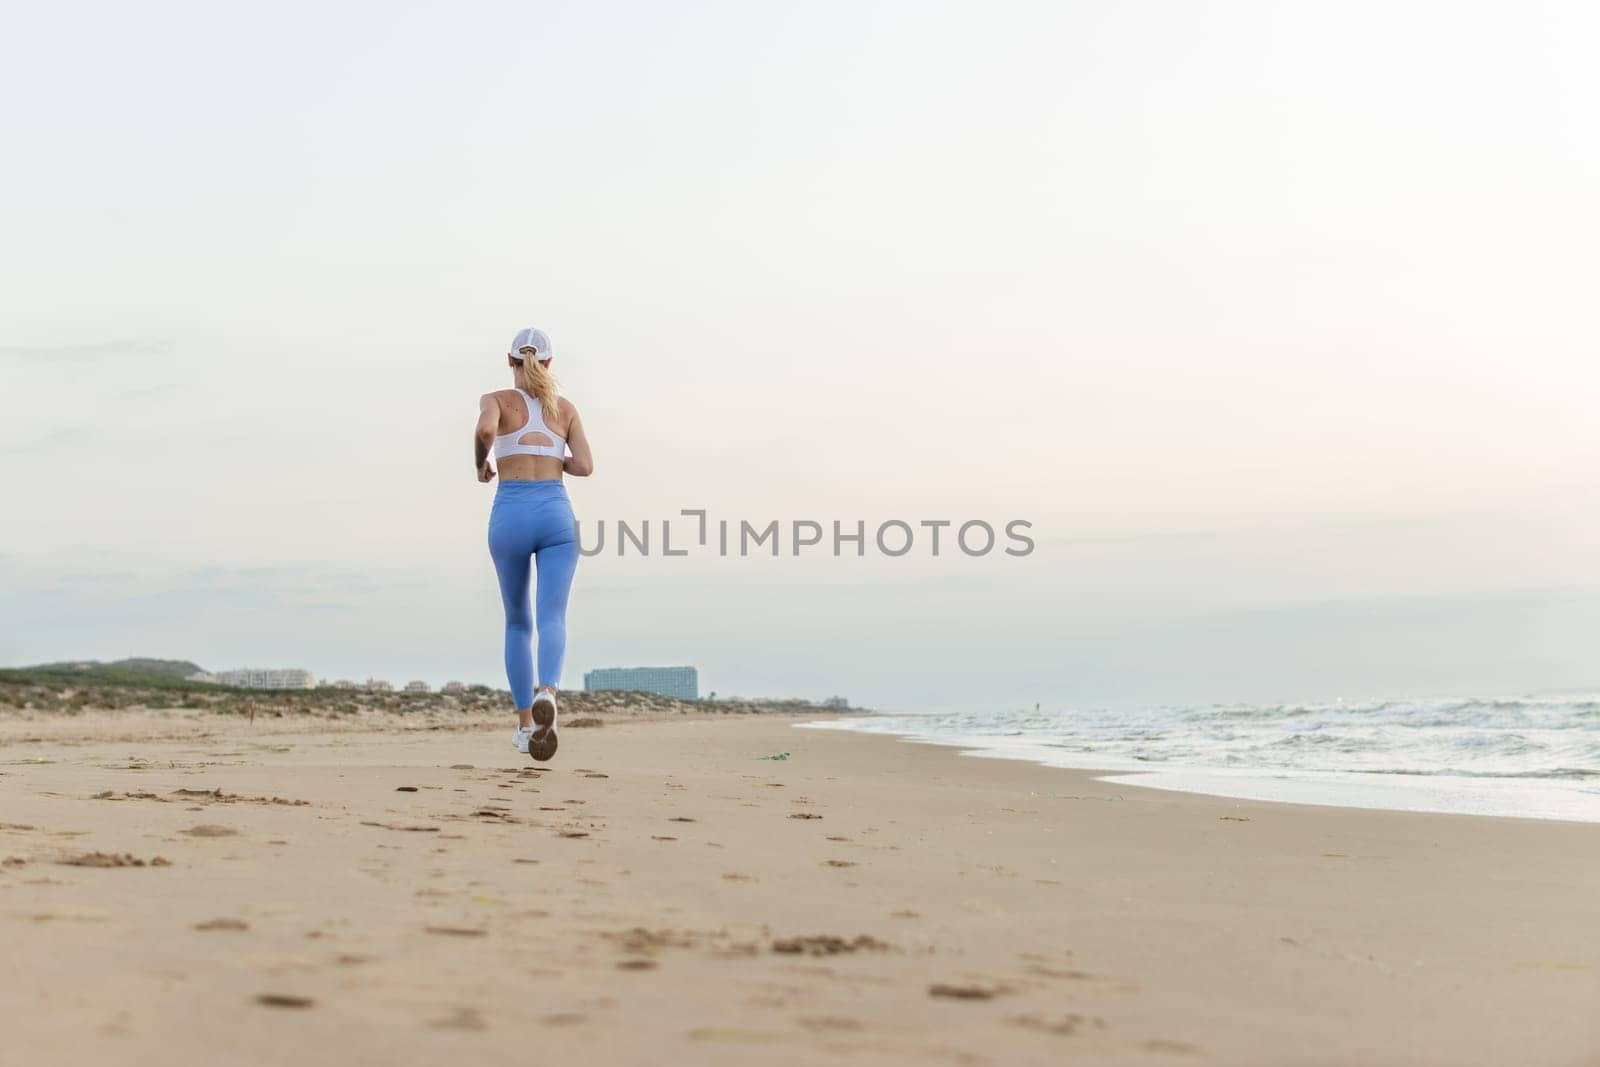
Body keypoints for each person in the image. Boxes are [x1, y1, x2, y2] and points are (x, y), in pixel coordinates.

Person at [475, 327, 594, 760]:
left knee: (517, 623)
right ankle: (549, 691)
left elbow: (487, 433)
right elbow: (584, 465)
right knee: (552, 617)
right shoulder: (564, 409)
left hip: (510, 511)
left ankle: (526, 725)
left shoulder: (496, 401)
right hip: (555, 514)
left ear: (510, 361)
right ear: (548, 364)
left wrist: (481, 464)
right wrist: (554, 457)